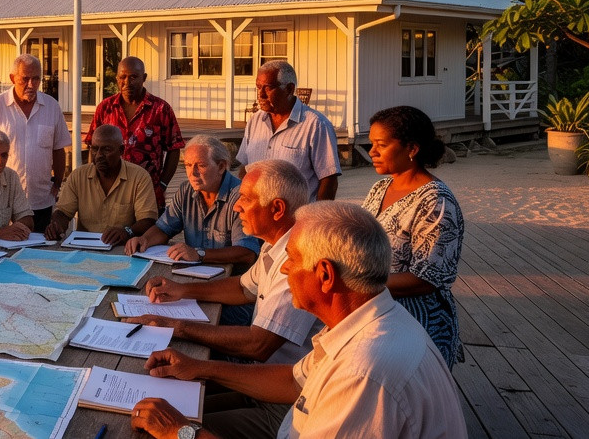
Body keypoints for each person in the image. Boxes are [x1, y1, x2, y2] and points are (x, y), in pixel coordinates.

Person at [130, 201, 466, 439]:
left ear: (325, 275)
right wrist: (198, 367)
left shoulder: (363, 372)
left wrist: (182, 432)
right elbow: (294, 382)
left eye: (292, 258)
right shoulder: (368, 321)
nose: (285, 268)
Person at [123, 159, 319, 437]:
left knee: (152, 428)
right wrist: (181, 289)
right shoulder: (275, 243)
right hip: (267, 383)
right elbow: (242, 288)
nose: (236, 207)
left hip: (289, 409)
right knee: (152, 405)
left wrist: (178, 327)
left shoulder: (297, 260)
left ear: (277, 209)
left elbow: (258, 344)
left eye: (246, 199)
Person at [363, 105, 465, 367]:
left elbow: (426, 279)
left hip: (416, 324)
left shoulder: (436, 202)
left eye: (381, 145)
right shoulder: (380, 188)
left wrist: (357, 282)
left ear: (412, 149)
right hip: (376, 315)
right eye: (372, 143)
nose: (372, 151)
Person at [123, 135, 259, 267]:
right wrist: (144, 240)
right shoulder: (186, 190)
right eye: (188, 165)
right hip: (194, 272)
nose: (192, 173)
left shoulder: (241, 197)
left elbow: (247, 253)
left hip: (233, 277)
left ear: (221, 167)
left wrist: (199, 254)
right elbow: (164, 228)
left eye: (201, 166)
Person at [0, 53, 72, 232]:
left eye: (36, 79)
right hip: (2, 201)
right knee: (2, 245)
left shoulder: (52, 107)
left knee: (41, 246)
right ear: (13, 78)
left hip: (41, 200)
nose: (31, 85)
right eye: (25, 79)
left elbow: (58, 149)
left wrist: (57, 184)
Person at [84, 56, 185, 212]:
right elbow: (93, 145)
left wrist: (163, 185)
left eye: (133, 77)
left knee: (147, 227)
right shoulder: (105, 108)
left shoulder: (160, 109)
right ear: (117, 78)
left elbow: (174, 148)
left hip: (148, 191)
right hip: (110, 191)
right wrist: (94, 180)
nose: (127, 82)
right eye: (123, 77)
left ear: (144, 78)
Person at [239, 61, 340, 201]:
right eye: (258, 87)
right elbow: (245, 168)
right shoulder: (255, 121)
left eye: (268, 88)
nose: (261, 95)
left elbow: (329, 179)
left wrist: (318, 213)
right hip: (257, 212)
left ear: (289, 89)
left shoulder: (316, 125)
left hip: (298, 213)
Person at [43, 124, 157, 247]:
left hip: (124, 248)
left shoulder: (139, 177)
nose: (98, 155)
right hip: (84, 247)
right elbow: (63, 212)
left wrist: (127, 231)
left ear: (121, 150)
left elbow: (148, 220)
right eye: (94, 149)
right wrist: (57, 226)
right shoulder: (78, 176)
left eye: (106, 150)